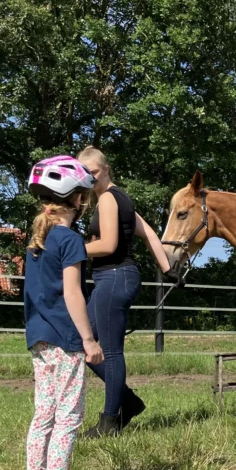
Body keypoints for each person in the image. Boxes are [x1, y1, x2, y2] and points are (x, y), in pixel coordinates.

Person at [24, 155, 106, 470]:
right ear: (78, 199)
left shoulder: (38, 241)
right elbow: (73, 294)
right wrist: (89, 340)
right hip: (66, 339)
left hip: (40, 338)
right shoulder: (69, 239)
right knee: (69, 415)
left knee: (44, 412)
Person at [77, 147, 173, 438]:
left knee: (109, 350)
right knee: (83, 344)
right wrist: (167, 269)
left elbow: (107, 245)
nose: (89, 178)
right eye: (84, 174)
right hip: (115, 278)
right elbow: (151, 234)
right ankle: (127, 401)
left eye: (93, 171)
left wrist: (68, 249)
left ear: (105, 168)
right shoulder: (122, 199)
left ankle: (109, 421)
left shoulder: (107, 198)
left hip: (115, 277)